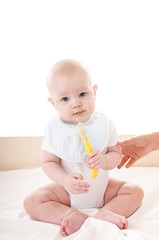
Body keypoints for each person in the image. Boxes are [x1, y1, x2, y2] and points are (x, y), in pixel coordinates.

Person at [23, 59, 144, 237]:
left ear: (94, 92)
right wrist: (64, 180)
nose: (76, 103)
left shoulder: (104, 124)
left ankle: (105, 213)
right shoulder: (55, 130)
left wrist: (104, 160)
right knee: (32, 202)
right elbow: (48, 162)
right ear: (53, 103)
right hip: (66, 192)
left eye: (82, 94)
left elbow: (116, 154)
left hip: (102, 190)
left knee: (135, 191)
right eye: (65, 99)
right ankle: (72, 215)